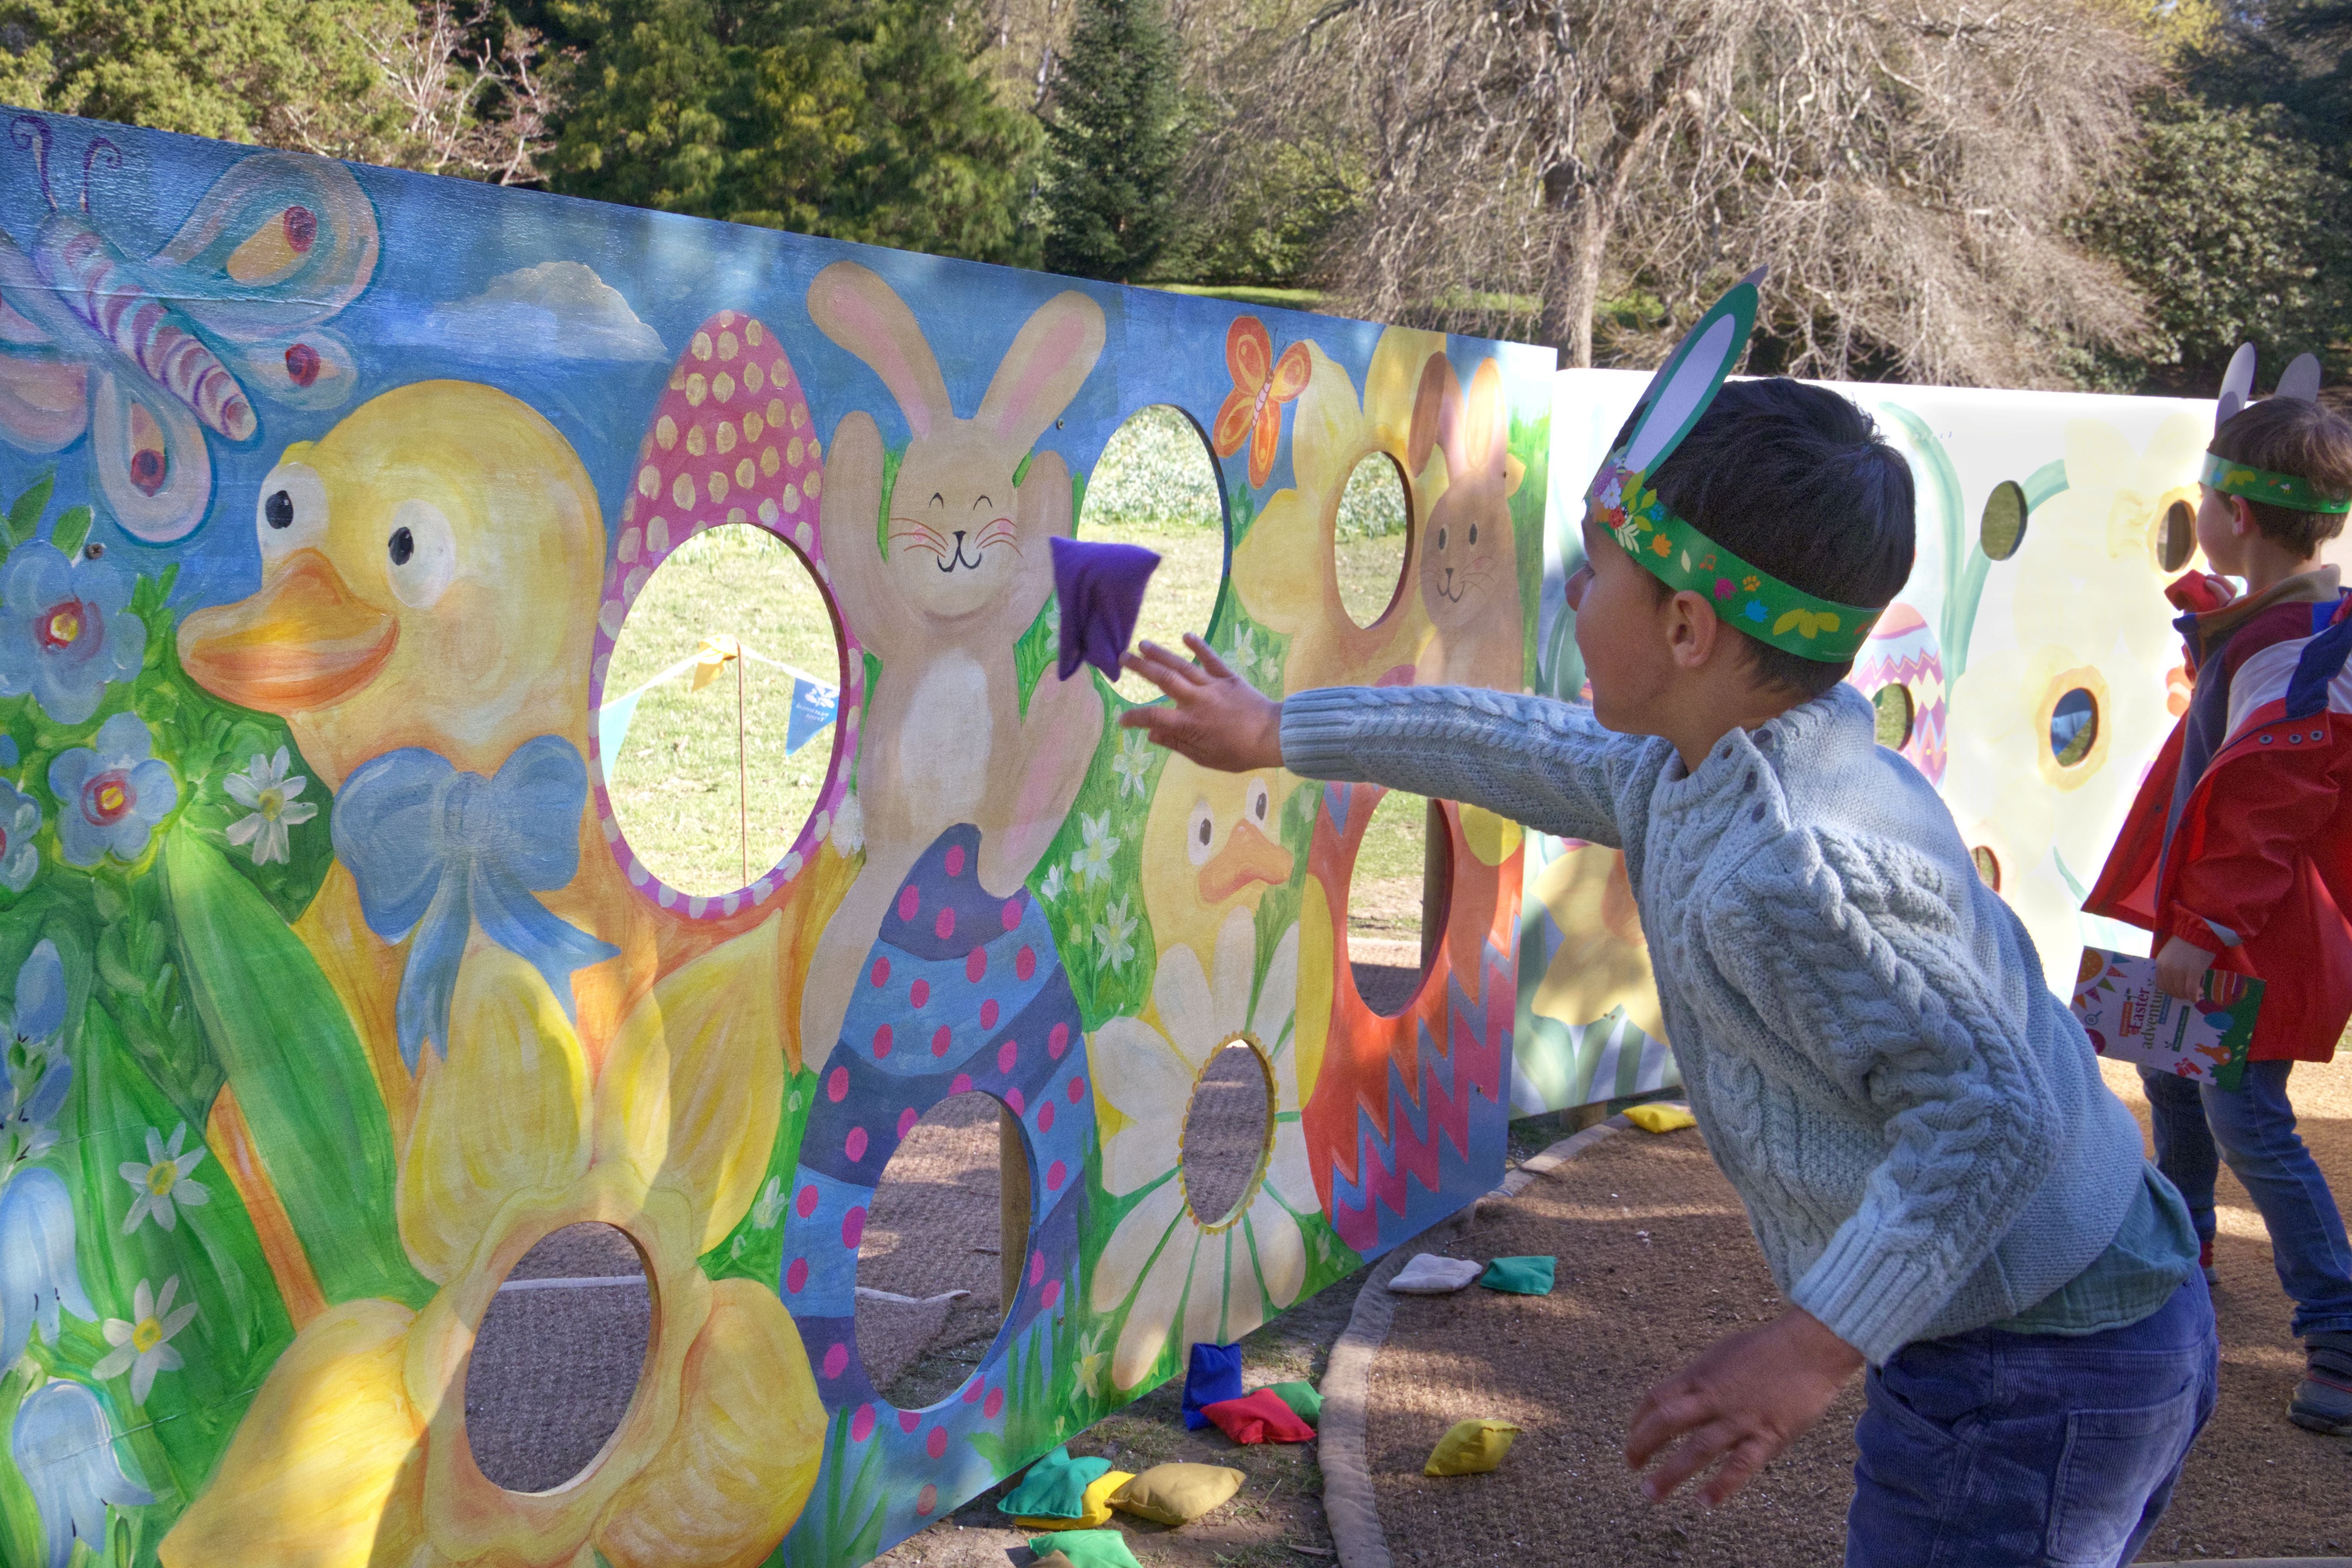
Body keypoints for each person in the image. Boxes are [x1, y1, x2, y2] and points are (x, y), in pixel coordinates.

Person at [1122, 374, 2215, 1567]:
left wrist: (1811, 1347)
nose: (1577, 599)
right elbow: (1526, 745)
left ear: (1688, 629)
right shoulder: (1708, 758)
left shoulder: (1797, 869)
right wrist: (1283, 730)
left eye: (1599, 576)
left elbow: (1988, 1116)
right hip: (2048, 1320)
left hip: (2037, 1365)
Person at [2084, 392, 2352, 1438]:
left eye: (2206, 492)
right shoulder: (2288, 623)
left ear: (2236, 509)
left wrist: (2203, 931)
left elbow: (2270, 802)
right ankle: (2175, 1256)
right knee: (2175, 1073)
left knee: (2248, 1114)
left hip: (2251, 930)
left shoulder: (2302, 645)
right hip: (2223, 919)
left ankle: (2337, 1329)